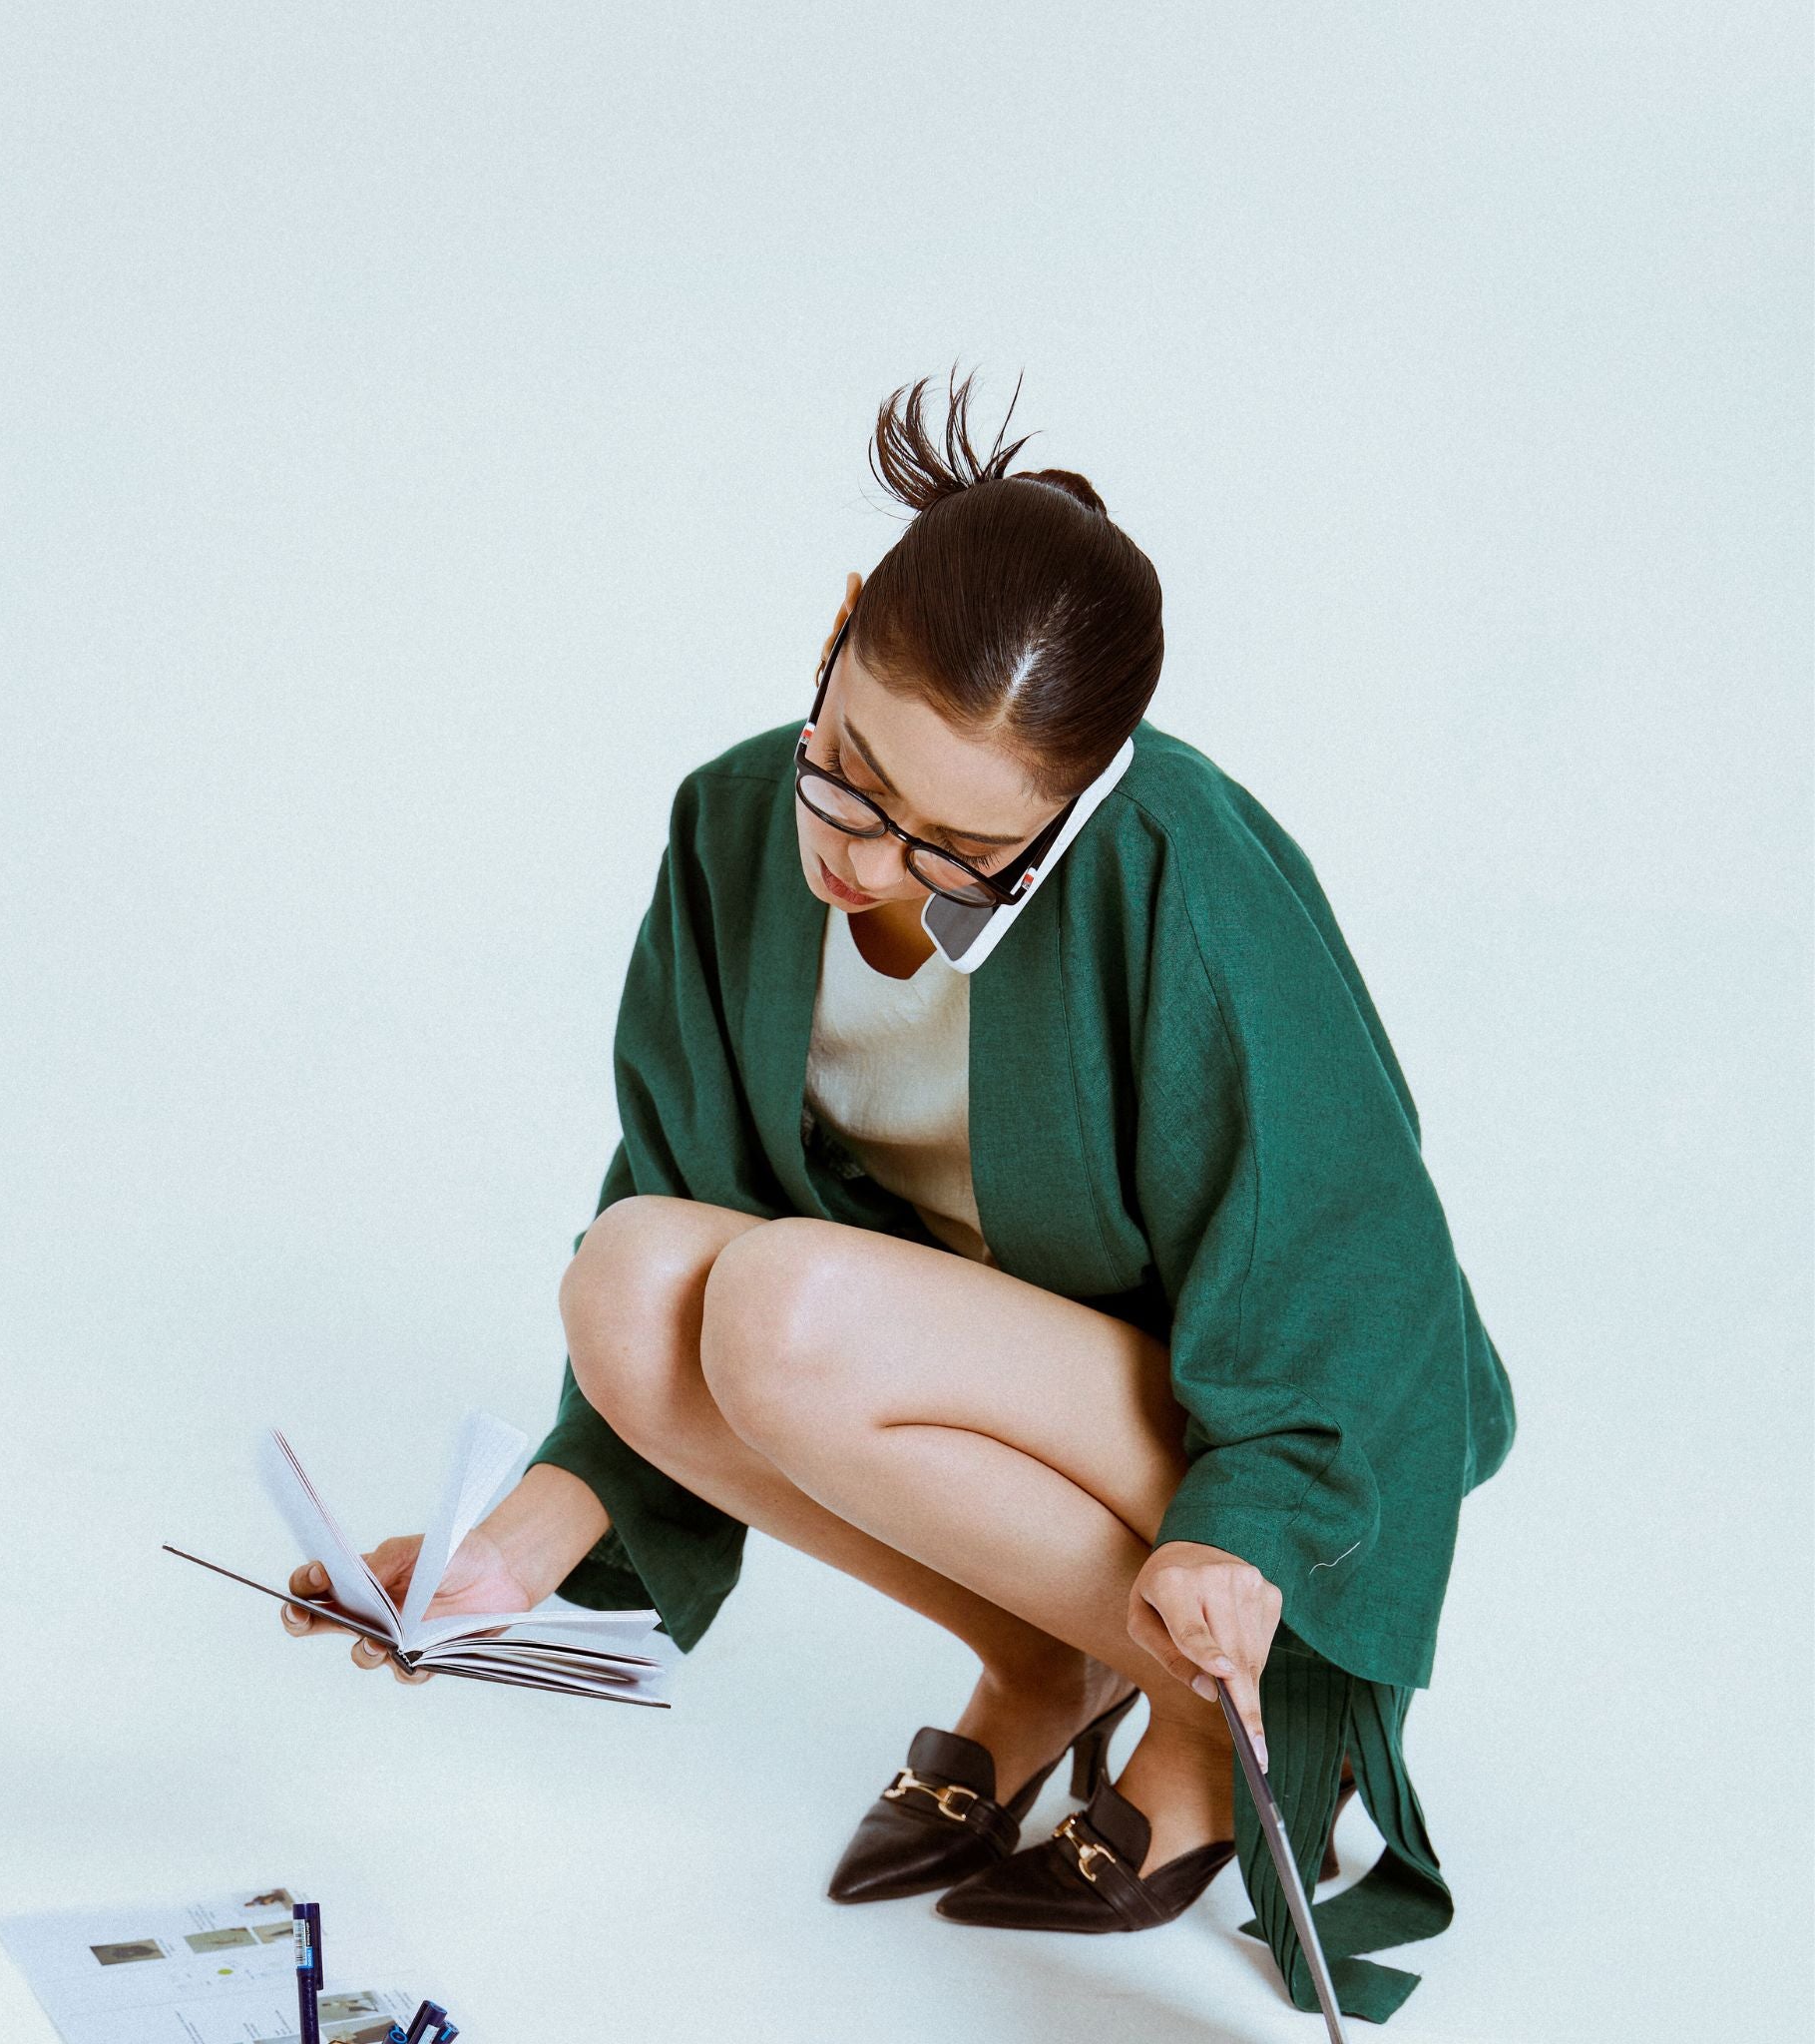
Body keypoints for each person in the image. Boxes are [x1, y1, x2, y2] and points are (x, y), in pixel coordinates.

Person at [281, 367, 1516, 2024]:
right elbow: (684, 1173)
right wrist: (490, 1573)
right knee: (637, 1279)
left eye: (956, 850)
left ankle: (1227, 1717)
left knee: (789, 1306)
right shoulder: (734, 821)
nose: (869, 860)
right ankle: (1040, 1663)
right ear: (843, 623)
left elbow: (1347, 1255)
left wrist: (1248, 1524)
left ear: (1072, 806)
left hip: (1248, 1404)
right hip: (948, 1357)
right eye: (857, 772)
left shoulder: (1185, 873)